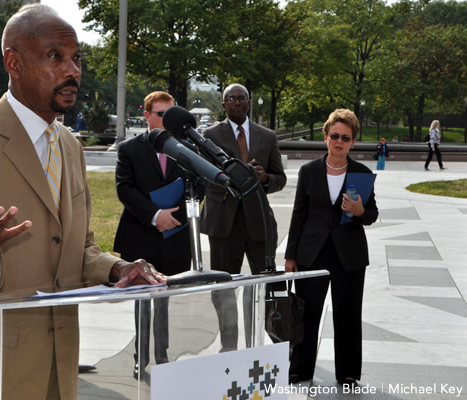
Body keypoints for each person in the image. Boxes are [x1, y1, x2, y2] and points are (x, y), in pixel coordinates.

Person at [0, 5, 165, 399]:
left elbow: (78, 248)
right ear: (13, 63)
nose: (72, 70)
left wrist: (117, 268)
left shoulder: (70, 146)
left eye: (76, 58)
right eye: (55, 56)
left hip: (60, 365)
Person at [284, 109, 379, 387]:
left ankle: (348, 372)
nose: (339, 142)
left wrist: (360, 210)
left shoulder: (362, 173)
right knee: (307, 313)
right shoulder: (309, 171)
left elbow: (371, 215)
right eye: (334, 136)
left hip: (349, 255)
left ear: (352, 142)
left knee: (348, 313)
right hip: (311, 252)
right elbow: (298, 214)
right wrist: (290, 254)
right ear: (326, 136)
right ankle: (300, 370)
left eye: (345, 138)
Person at [113, 91, 196, 379]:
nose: (164, 119)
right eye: (159, 113)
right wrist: (154, 216)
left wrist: (173, 218)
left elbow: (198, 189)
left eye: (169, 114)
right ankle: (141, 359)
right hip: (140, 236)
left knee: (163, 302)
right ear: (146, 115)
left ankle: (162, 357)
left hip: (173, 237)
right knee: (142, 304)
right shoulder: (129, 149)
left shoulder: (185, 149)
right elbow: (125, 189)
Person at [200, 83, 287, 351]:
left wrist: (262, 179)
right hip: (224, 222)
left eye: (242, 98)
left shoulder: (267, 136)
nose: (237, 103)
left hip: (258, 221)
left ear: (249, 102)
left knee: (266, 286)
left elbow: (279, 178)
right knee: (223, 288)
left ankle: (267, 342)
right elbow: (203, 176)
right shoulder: (208, 135)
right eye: (231, 99)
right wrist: (233, 179)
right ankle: (229, 346)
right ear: (223, 105)